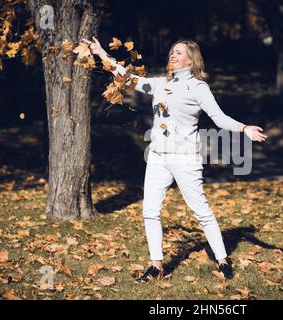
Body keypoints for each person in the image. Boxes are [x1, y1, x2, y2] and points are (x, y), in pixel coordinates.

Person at [82, 37, 267, 282]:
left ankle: (223, 260)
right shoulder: (160, 84)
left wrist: (244, 129)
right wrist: (102, 54)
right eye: (171, 51)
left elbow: (219, 118)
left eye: (178, 52)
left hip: (185, 158)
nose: (172, 55)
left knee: (201, 211)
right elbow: (127, 78)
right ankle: (156, 266)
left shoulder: (199, 87)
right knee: (150, 211)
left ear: (191, 59)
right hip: (158, 157)